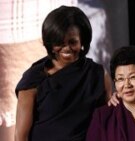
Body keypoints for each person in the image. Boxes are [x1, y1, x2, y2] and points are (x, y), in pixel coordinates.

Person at [14, 6, 112, 141]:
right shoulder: (33, 79)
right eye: (59, 43)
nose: (66, 48)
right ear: (49, 42)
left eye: (73, 42)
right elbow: (21, 136)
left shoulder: (98, 74)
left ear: (82, 41)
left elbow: (109, 123)